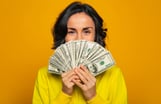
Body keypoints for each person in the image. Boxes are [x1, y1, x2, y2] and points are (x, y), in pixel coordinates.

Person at [32, 1, 127, 104]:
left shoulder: (113, 75)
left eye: (86, 31)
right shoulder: (44, 76)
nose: (79, 39)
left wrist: (93, 97)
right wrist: (64, 94)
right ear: (63, 36)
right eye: (71, 32)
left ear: (96, 35)